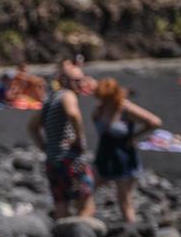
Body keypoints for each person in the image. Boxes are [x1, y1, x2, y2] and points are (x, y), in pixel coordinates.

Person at [28, 63, 95, 219]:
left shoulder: (50, 100)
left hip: (52, 159)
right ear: (64, 80)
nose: (80, 84)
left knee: (61, 203)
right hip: (70, 159)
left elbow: (32, 127)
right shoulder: (67, 95)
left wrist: (45, 147)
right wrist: (80, 140)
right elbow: (73, 114)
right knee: (85, 203)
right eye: (76, 80)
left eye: (81, 80)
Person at [91, 78, 162, 224]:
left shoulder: (125, 108)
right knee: (88, 190)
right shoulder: (99, 110)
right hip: (104, 155)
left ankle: (131, 231)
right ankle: (84, 222)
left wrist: (134, 137)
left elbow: (154, 122)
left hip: (123, 157)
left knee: (124, 200)